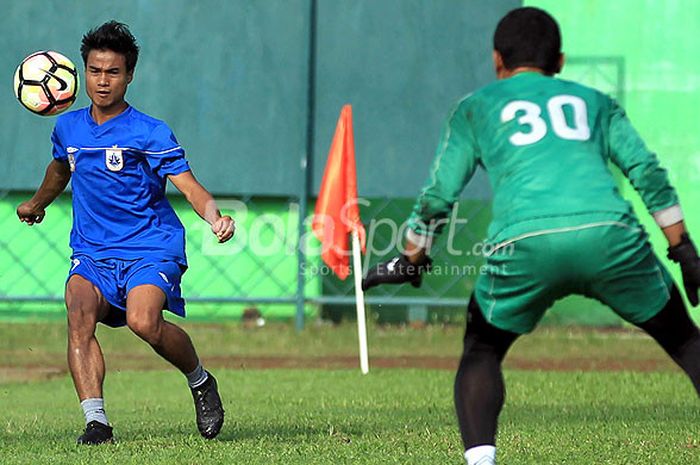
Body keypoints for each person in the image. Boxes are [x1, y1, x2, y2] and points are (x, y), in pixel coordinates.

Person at [362, 7, 700, 465]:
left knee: (482, 348)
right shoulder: (594, 102)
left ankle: (482, 460)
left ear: (497, 61)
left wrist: (413, 255)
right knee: (684, 340)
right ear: (559, 61)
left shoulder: (476, 108)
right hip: (609, 234)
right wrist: (682, 248)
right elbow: (645, 170)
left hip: (523, 243)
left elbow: (440, 194)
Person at [16, 21, 234, 445]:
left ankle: (200, 380)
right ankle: (96, 423)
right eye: (95, 71)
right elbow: (60, 170)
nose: (102, 81)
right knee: (78, 310)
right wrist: (36, 203)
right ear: (82, 72)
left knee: (143, 321)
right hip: (93, 252)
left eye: (113, 72)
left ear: (129, 75)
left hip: (150, 247)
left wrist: (215, 217)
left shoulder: (150, 132)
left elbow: (188, 185)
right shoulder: (68, 129)